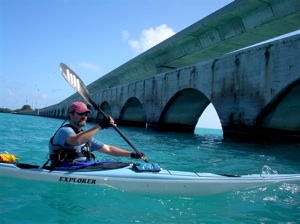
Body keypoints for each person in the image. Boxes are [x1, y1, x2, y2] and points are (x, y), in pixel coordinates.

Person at [48, 101, 146, 167]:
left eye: (86, 114)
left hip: (83, 167)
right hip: (65, 168)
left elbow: (109, 149)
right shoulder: (64, 131)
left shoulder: (85, 136)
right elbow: (76, 141)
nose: (84, 116)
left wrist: (132, 154)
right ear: (70, 115)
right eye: (80, 113)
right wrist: (101, 125)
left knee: (117, 164)